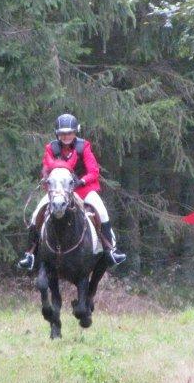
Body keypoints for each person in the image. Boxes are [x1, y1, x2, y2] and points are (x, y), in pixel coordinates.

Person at [17, 113, 126, 270]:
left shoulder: (84, 146)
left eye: (69, 133)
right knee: (36, 215)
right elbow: (46, 170)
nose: (66, 136)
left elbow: (93, 171)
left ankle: (111, 250)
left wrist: (80, 181)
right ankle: (30, 254)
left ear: (75, 132)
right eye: (62, 133)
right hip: (58, 192)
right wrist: (47, 181)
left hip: (83, 189)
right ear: (57, 134)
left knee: (101, 212)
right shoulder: (51, 148)